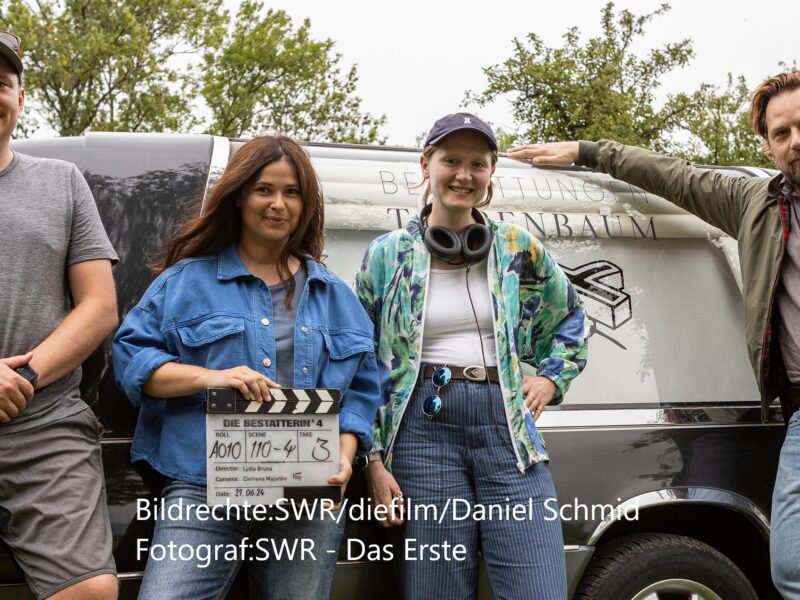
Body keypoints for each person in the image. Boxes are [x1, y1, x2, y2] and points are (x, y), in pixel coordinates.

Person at [506, 69, 800, 598]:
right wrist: (587, 150)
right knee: (792, 567)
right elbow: (673, 175)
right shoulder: (754, 203)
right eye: (782, 133)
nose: (795, 142)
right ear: (767, 144)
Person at [112, 134, 381, 599]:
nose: (278, 204)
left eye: (292, 192)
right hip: (203, 487)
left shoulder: (335, 297)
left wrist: (344, 454)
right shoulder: (183, 282)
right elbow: (132, 360)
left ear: (306, 204)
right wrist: (213, 377)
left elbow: (361, 390)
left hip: (306, 498)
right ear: (239, 197)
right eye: (264, 189)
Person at [355, 112, 588, 600]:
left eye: (477, 164)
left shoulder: (515, 245)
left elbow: (569, 317)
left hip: (506, 428)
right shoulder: (388, 255)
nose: (463, 174)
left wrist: (549, 379)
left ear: (490, 174)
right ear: (426, 165)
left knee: (539, 588)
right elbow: (361, 362)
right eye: (451, 160)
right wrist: (373, 460)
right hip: (421, 434)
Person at [0, 31, 120, 600]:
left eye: (2, 83)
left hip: (42, 423)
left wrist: (21, 378)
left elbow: (99, 307)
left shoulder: (62, 182)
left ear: (21, 99)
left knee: (92, 591)